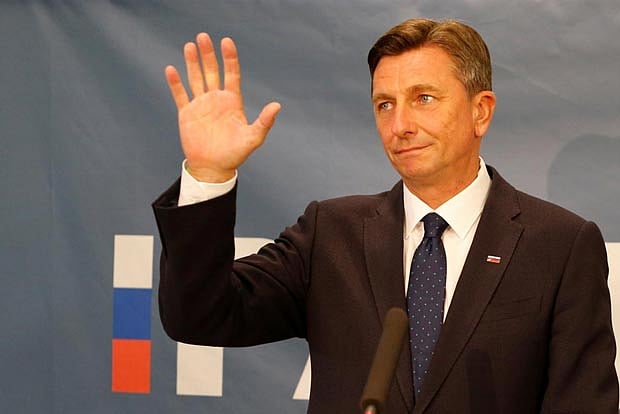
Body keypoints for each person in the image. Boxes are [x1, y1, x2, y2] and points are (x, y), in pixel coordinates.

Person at [153, 18, 618, 413]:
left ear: (481, 111)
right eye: (385, 105)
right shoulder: (330, 234)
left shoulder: (559, 245)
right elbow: (199, 316)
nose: (400, 126)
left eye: (424, 98)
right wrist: (209, 175)